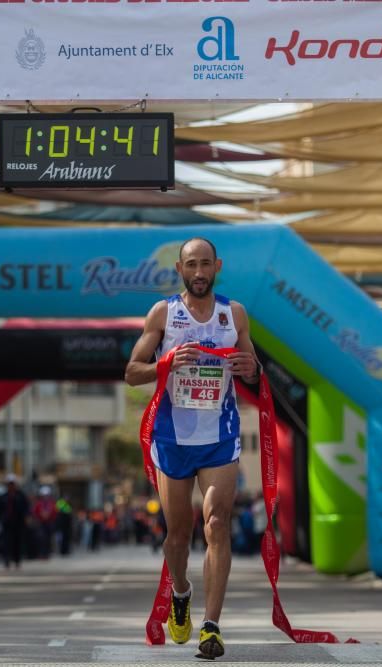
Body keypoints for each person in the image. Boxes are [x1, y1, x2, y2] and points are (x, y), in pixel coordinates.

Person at [125, 236, 260, 659]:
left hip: (219, 435)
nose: (199, 273)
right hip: (173, 437)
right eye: (191, 265)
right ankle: (180, 593)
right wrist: (164, 364)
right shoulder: (164, 313)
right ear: (180, 269)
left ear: (217, 266)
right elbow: (131, 372)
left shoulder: (233, 313)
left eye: (206, 264)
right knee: (178, 536)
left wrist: (249, 367)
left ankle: (212, 626)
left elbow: (252, 369)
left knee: (217, 523)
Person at [0, 474, 29, 569]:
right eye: (9, 484)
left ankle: (17, 560)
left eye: (12, 484)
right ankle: (6, 560)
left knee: (17, 542)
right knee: (6, 542)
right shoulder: (3, 497)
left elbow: (26, 508)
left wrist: (26, 518)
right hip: (7, 523)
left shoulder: (21, 496)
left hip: (18, 523)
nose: (11, 486)